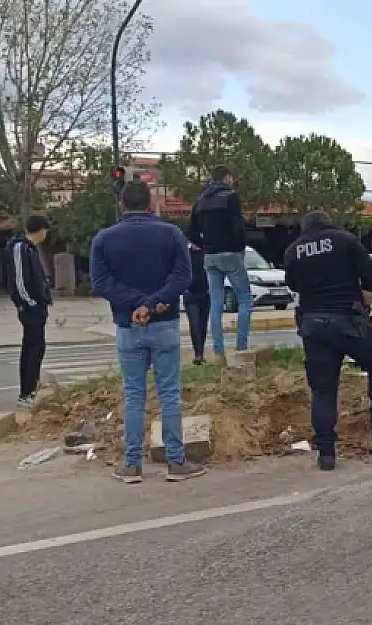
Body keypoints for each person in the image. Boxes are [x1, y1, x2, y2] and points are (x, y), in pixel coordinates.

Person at [89, 180, 206, 484]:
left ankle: (131, 464)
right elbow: (183, 276)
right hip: (164, 323)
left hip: (128, 326)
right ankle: (176, 461)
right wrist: (153, 305)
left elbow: (101, 283)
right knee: (170, 394)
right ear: (151, 203)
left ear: (122, 205)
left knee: (134, 396)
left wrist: (136, 305)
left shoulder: (104, 239)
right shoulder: (171, 234)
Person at [283, 210, 372, 471]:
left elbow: (293, 286)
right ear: (329, 222)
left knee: (323, 389)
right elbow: (371, 277)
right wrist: (366, 302)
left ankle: (326, 453)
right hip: (347, 322)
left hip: (313, 327)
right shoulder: (345, 240)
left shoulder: (293, 250)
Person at [186, 165, 252, 360]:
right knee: (245, 300)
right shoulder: (230, 197)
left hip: (210, 256)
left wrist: (205, 245)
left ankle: (218, 351)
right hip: (231, 253)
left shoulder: (201, 201)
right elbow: (238, 226)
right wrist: (239, 248)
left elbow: (190, 232)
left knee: (215, 302)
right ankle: (241, 347)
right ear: (227, 177)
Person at [5, 215, 53, 409]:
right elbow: (20, 281)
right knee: (32, 348)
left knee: (38, 347)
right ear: (41, 230)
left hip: (38, 307)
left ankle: (32, 386)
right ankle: (26, 391)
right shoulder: (20, 247)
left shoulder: (31, 249)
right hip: (29, 307)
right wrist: (30, 302)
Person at [183, 243, 210, 364]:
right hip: (190, 294)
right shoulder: (185, 253)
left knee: (203, 324)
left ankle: (201, 352)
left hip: (205, 293)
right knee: (194, 324)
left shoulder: (207, 252)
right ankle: (198, 354)